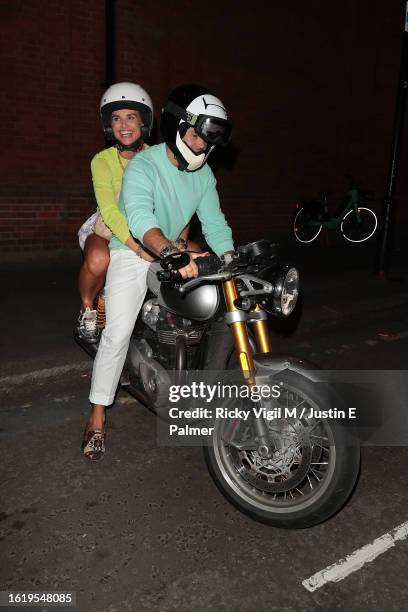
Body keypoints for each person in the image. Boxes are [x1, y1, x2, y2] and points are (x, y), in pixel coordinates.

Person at [82, 84, 234, 460]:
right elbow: (137, 216)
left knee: (214, 305)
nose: (200, 144)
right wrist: (164, 249)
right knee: (116, 334)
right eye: (195, 133)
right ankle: (97, 413)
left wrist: (230, 255)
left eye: (207, 137)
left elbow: (213, 222)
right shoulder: (143, 165)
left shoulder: (204, 175)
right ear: (176, 127)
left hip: (170, 252)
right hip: (133, 252)